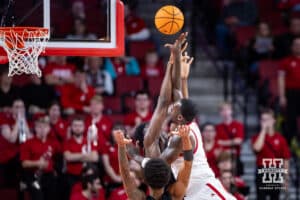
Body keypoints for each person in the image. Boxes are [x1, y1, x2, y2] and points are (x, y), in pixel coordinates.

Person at [142, 33, 236, 199]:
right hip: (190, 192)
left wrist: (139, 158)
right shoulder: (187, 122)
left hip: (205, 191)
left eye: (175, 107)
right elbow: (177, 90)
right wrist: (176, 57)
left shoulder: (182, 137)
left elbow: (160, 165)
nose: (173, 105)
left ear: (180, 118)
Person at [114, 125, 193, 200]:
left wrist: (121, 146)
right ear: (168, 177)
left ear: (144, 180)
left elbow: (125, 174)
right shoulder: (176, 194)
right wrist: (185, 138)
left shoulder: (138, 198)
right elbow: (188, 164)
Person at [251, 109, 290, 200]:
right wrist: (263, 131)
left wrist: (286, 178)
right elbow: (257, 148)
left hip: (276, 170)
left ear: (273, 121)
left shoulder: (281, 139)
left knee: (275, 197)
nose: (265, 122)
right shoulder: (256, 137)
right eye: (263, 120)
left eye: (267, 119)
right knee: (261, 197)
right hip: (262, 170)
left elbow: (286, 159)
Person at [20, 116, 59, 200]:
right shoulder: (28, 143)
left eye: (45, 127)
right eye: (39, 127)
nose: (42, 129)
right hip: (33, 176)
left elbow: (59, 157)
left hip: (49, 176)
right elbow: (24, 164)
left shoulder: (53, 143)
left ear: (49, 128)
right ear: (35, 128)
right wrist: (38, 163)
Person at [63, 116, 99, 199]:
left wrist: (76, 156)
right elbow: (68, 157)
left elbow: (95, 157)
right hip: (72, 178)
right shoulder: (67, 142)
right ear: (71, 127)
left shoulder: (89, 141)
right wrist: (86, 155)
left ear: (84, 127)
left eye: (80, 125)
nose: (77, 128)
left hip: (88, 177)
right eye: (75, 125)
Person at [0, 99, 31, 187]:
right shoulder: (4, 119)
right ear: (12, 109)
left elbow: (28, 140)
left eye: (21, 107)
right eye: (16, 107)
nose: (19, 109)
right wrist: (18, 121)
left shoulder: (26, 121)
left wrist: (23, 122)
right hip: (7, 157)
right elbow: (12, 139)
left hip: (20, 157)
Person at [278, 37, 300, 143]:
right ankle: (290, 144)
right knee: (291, 120)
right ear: (292, 47)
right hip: (291, 94)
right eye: (296, 44)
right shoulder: (285, 62)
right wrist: (282, 96)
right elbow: (281, 78)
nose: (298, 46)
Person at [216, 102, 244, 175]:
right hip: (222, 159)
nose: (225, 112)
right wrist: (232, 143)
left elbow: (239, 141)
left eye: (227, 109)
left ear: (231, 111)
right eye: (223, 110)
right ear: (220, 113)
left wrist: (223, 142)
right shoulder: (217, 128)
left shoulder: (238, 125)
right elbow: (217, 143)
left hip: (235, 158)